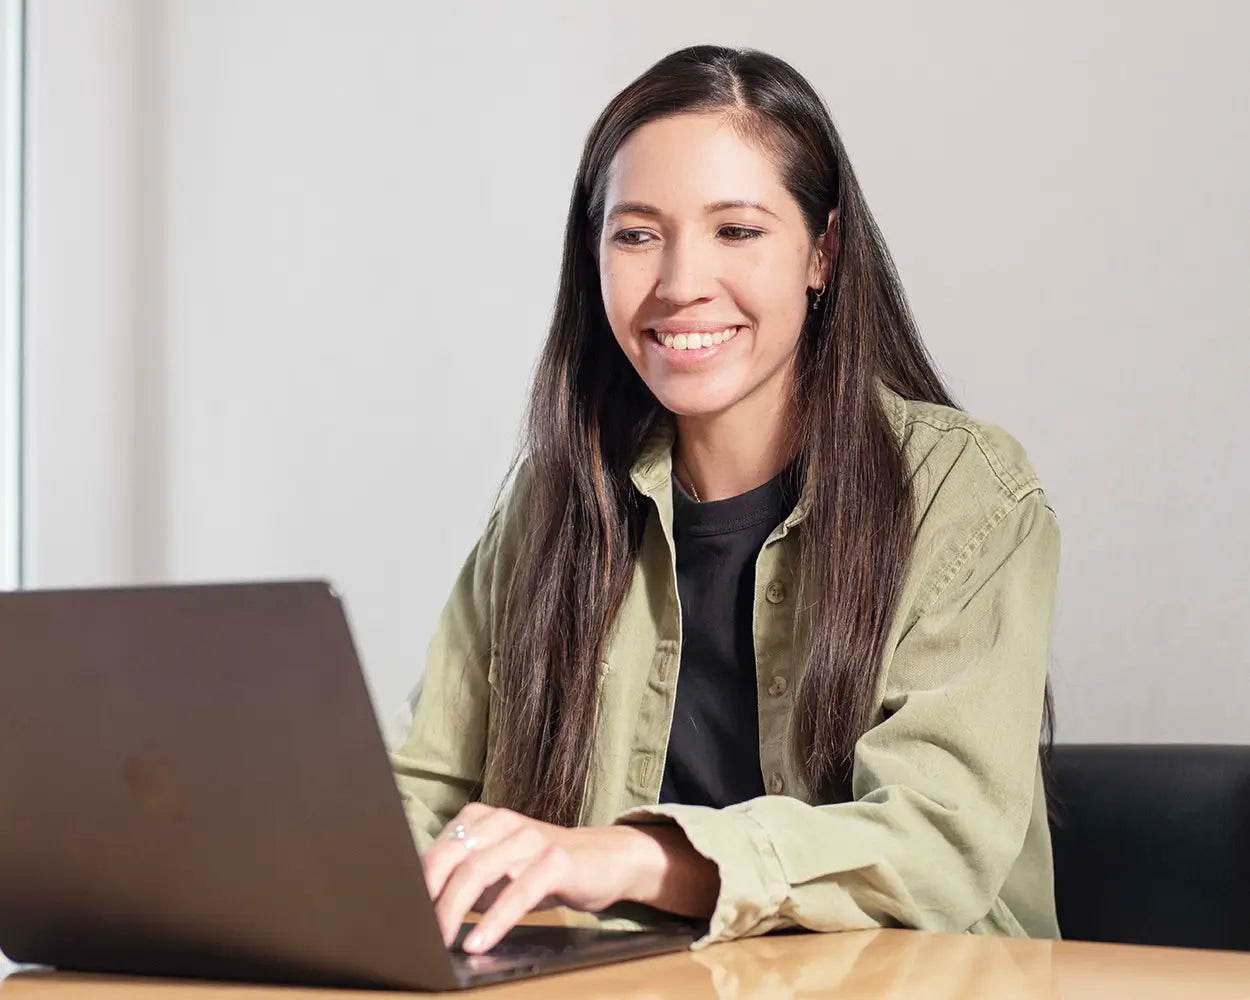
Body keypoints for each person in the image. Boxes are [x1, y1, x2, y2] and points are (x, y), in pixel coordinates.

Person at [390, 44, 1061, 955]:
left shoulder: (966, 493)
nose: (678, 284)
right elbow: (425, 793)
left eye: (736, 231)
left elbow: (936, 842)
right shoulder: (555, 502)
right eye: (636, 234)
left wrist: (628, 858)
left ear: (821, 252)